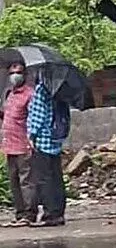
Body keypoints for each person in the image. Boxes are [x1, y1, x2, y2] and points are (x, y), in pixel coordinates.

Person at [25, 77, 65, 226]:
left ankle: (50, 214)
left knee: (44, 179)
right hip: (55, 139)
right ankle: (58, 213)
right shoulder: (59, 89)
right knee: (56, 178)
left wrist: (31, 134)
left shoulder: (42, 89)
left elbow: (38, 115)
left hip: (42, 140)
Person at [2, 64, 35, 227]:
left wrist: (32, 139)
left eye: (18, 73)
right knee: (14, 181)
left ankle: (29, 214)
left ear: (24, 75)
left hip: (24, 144)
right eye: (12, 73)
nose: (15, 76)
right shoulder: (9, 94)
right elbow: (7, 115)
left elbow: (33, 118)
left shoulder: (30, 94)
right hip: (9, 145)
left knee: (26, 180)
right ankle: (20, 212)